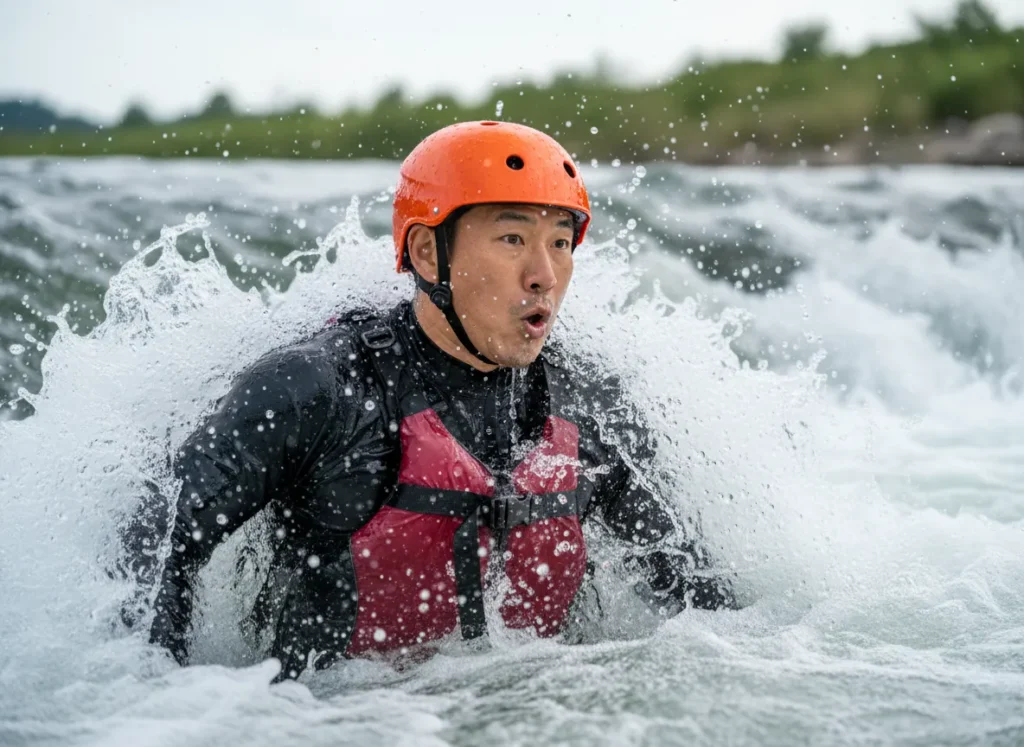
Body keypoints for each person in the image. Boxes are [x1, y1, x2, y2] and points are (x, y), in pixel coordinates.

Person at [126, 121, 735, 681]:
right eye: (513, 236)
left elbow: (708, 612)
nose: (543, 274)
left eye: (560, 243)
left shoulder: (595, 410)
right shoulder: (319, 392)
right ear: (425, 253)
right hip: (328, 724)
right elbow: (154, 555)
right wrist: (171, 709)